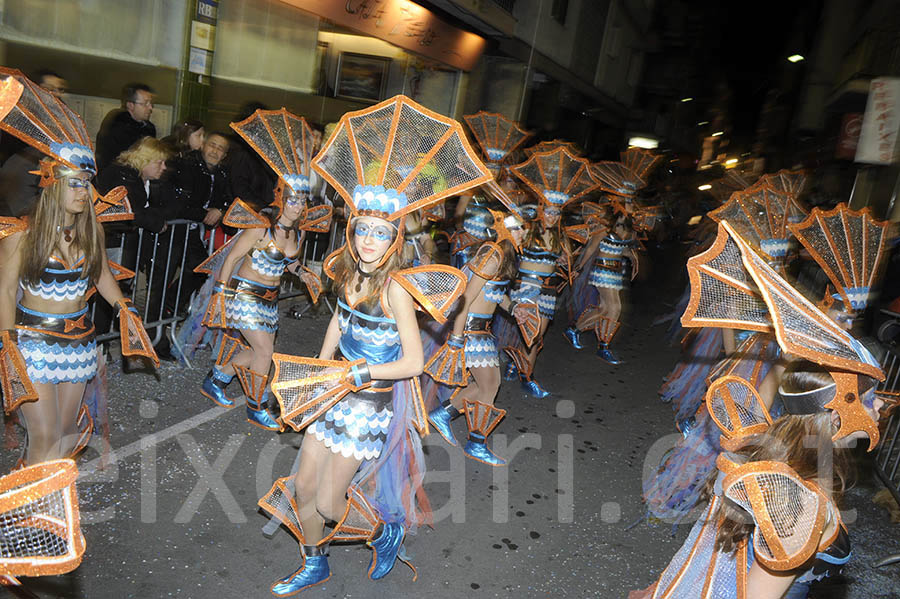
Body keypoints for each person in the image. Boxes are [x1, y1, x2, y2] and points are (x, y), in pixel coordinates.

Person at [258, 95, 492, 595]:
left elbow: (411, 362)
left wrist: (357, 375)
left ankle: (385, 530)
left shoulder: (396, 291)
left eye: (380, 233)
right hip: (333, 392)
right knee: (301, 488)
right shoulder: (346, 273)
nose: (368, 240)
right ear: (353, 229)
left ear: (394, 241)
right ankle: (314, 560)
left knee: (326, 503)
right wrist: (317, 376)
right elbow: (338, 325)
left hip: (368, 403)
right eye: (362, 229)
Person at [631, 220, 886, 599]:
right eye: (868, 398)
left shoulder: (777, 452)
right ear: (835, 416)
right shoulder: (798, 498)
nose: (882, 403)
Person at [0, 70, 158, 466]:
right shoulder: (25, 234)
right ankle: (30, 516)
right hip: (34, 345)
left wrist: (123, 308)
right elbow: (4, 291)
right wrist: (8, 347)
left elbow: (102, 274)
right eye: (74, 183)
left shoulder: (90, 233)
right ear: (53, 183)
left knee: (68, 437)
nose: (83, 193)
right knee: (45, 436)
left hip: (79, 343)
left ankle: (47, 506)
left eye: (87, 184)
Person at [197, 109, 320, 431]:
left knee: (256, 351)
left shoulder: (299, 233)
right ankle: (256, 406)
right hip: (242, 294)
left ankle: (217, 378)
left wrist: (302, 271)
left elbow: (286, 262)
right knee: (265, 350)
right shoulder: (261, 226)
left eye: (302, 200)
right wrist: (221, 295)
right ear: (281, 196)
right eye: (292, 199)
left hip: (269, 298)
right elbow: (232, 257)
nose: (297, 205)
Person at [425, 208, 530, 466]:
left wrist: (514, 308)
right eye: (518, 228)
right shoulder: (493, 254)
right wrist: (457, 339)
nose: (523, 233)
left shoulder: (502, 255)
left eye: (524, 229)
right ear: (504, 229)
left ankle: (443, 414)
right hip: (471, 331)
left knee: (481, 385)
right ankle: (476, 442)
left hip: (480, 331)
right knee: (490, 385)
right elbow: (467, 298)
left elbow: (493, 294)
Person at [167, 131, 232, 312]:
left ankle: (172, 306)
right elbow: (179, 200)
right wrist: (203, 214)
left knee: (200, 267)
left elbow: (229, 198)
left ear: (225, 155)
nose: (215, 151)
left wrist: (220, 210)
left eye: (220, 149)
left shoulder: (222, 174)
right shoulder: (187, 165)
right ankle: (166, 309)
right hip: (172, 227)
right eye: (212, 145)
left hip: (192, 228)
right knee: (169, 273)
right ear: (203, 145)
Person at [95, 83, 156, 171]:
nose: (150, 107)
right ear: (130, 105)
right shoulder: (117, 123)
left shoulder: (148, 127)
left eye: (151, 103)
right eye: (145, 103)